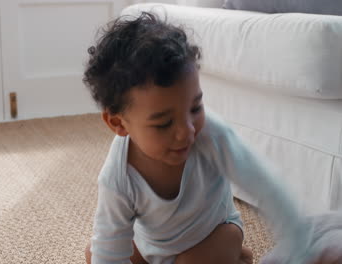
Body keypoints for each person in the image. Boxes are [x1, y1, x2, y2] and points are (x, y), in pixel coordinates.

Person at [82, 11, 313, 264]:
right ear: (118, 123)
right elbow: (109, 244)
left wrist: (301, 243)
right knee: (95, 254)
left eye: (195, 108)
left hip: (216, 233)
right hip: (151, 245)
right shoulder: (117, 177)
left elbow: (266, 186)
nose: (187, 130)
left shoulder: (213, 136)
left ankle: (235, 254)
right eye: (164, 123)